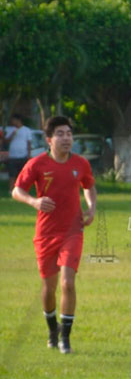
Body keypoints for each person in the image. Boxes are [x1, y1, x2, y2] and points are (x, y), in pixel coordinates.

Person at [11, 116, 96, 354]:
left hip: (73, 231)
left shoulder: (80, 163)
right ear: (49, 139)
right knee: (49, 287)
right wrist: (34, 201)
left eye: (69, 133)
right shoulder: (37, 164)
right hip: (46, 234)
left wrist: (91, 207)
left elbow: (88, 185)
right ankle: (52, 329)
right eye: (60, 134)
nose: (66, 138)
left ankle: (65, 339)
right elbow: (17, 190)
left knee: (68, 282)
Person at [5, 113, 33, 188]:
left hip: (23, 155)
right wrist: (12, 134)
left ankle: (22, 189)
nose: (12, 122)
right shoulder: (10, 129)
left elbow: (29, 143)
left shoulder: (26, 130)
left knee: (23, 174)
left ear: (18, 120)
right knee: (12, 174)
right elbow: (6, 141)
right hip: (13, 156)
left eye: (13, 120)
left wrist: (29, 155)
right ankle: (11, 190)